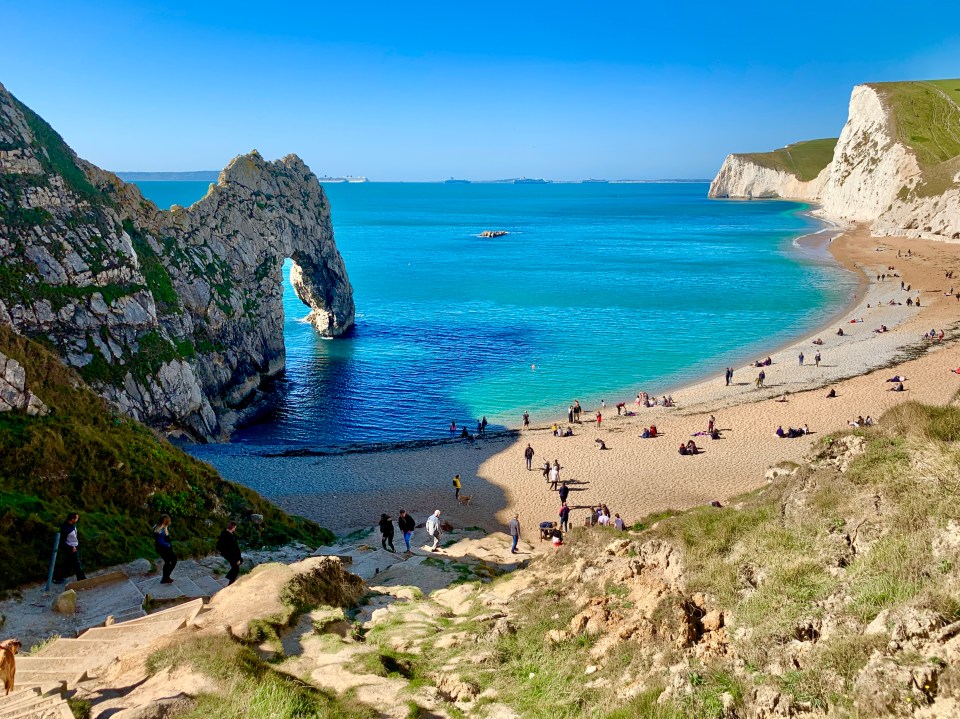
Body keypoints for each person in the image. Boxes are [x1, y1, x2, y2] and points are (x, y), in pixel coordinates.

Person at [54, 512, 86, 583]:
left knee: (67, 564)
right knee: (77, 564)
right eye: (76, 518)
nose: (78, 519)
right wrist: (70, 548)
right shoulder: (65, 527)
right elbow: (62, 540)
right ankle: (82, 579)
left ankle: (59, 578)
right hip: (70, 549)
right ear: (72, 519)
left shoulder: (72, 526)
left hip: (74, 547)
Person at [154, 515, 177, 584]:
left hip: (167, 548)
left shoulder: (165, 527)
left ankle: (166, 577)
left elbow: (168, 538)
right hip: (163, 549)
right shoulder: (157, 528)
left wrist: (166, 528)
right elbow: (158, 538)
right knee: (171, 561)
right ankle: (165, 578)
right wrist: (163, 527)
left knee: (169, 561)